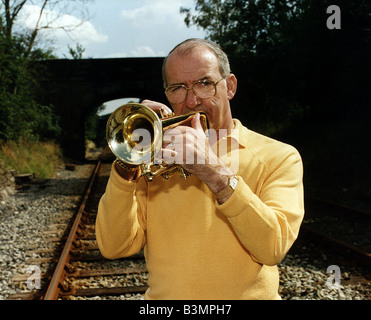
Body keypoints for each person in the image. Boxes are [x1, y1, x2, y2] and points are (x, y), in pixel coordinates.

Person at [96, 38, 304, 300]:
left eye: (204, 84)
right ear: (167, 94)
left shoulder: (280, 157)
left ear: (229, 86)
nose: (192, 101)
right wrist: (128, 163)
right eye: (178, 88)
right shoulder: (155, 160)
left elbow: (273, 248)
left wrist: (213, 172)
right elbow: (114, 246)